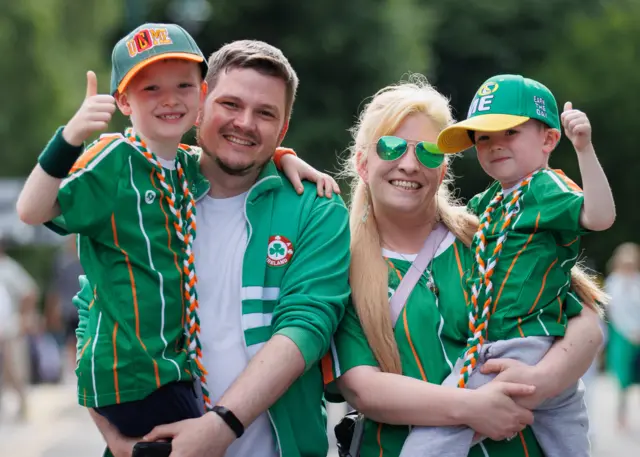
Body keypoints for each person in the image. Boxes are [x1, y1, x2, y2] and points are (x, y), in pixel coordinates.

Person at [15, 24, 336, 441]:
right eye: (231, 104)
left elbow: (308, 324)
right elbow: (91, 304)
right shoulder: (130, 170)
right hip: (150, 407)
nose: (244, 122)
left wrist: (280, 158)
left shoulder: (311, 206)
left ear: (196, 96)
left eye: (265, 113)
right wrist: (114, 437)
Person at [322, 76, 606, 457]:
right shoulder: (341, 264)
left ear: (443, 169)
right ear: (362, 161)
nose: (408, 164)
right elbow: (362, 388)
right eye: (390, 148)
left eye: (428, 153)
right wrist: (473, 408)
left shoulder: (487, 232)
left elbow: (585, 319)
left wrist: (540, 381)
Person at [0, 236, 39, 420]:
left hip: (9, 327)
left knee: (14, 368)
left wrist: (25, 317)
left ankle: (23, 405)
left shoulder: (9, 267)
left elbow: (29, 291)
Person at [604, 242, 640, 431]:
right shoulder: (613, 282)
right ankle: (621, 415)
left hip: (638, 334)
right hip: (623, 336)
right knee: (622, 379)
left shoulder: (637, 281)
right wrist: (630, 331)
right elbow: (616, 312)